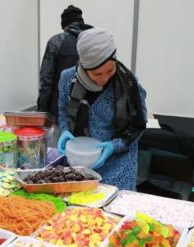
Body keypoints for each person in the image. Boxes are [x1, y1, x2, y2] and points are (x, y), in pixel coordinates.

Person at [56, 28, 147, 191]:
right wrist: (64, 130)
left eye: (110, 70)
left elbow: (137, 125)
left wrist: (114, 146)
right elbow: (62, 110)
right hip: (80, 165)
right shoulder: (67, 80)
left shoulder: (128, 85)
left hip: (119, 167)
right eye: (97, 74)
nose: (104, 78)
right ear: (84, 66)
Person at [37, 5, 93, 121]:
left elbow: (46, 81)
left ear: (64, 25)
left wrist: (41, 113)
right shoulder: (93, 41)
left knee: (61, 138)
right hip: (88, 110)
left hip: (59, 110)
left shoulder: (56, 42)